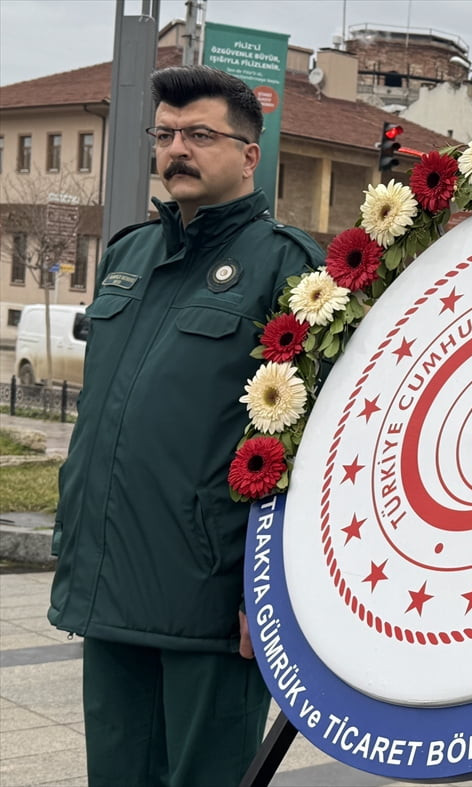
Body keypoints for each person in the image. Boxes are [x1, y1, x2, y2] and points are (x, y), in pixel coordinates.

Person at [48, 66, 323, 785]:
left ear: (250, 155)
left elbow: (309, 444)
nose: (178, 149)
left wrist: (268, 595)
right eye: (166, 134)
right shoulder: (129, 256)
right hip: (109, 585)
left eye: (201, 134)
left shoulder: (287, 268)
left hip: (208, 600)